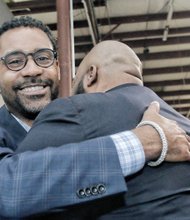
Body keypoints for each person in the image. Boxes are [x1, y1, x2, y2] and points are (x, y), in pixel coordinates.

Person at [0, 16, 189, 219]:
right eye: (15, 61)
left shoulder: (88, 117)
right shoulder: (134, 133)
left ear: (58, 66)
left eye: (43, 58)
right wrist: (140, 144)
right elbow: (7, 190)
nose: (33, 70)